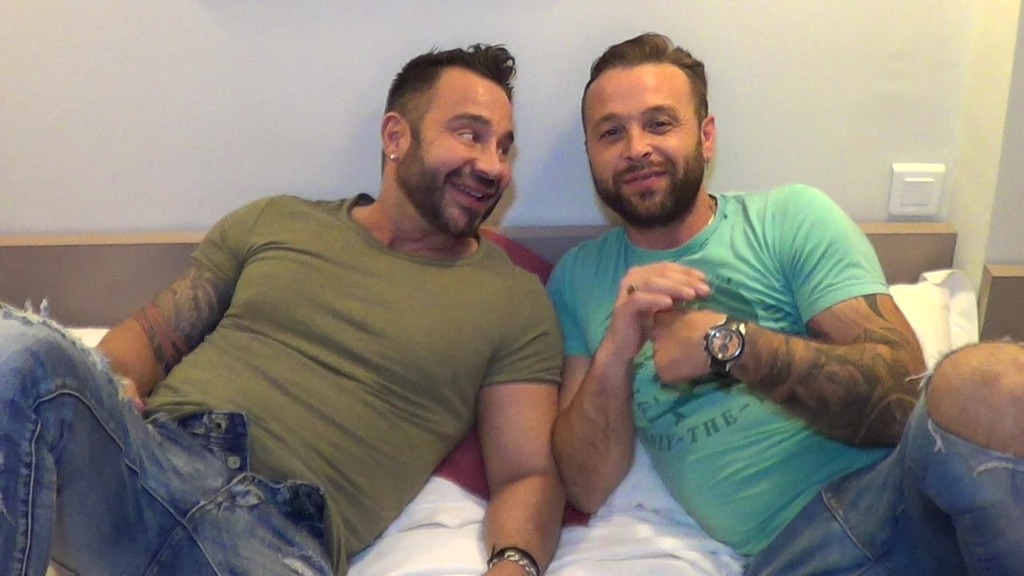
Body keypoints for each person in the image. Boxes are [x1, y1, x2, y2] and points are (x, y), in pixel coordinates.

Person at [0, 44, 565, 576]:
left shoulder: (512, 301)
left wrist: (513, 564)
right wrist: (116, 382)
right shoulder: (277, 222)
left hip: (275, 538)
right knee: (22, 347)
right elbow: (150, 339)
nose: (494, 166)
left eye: (504, 147)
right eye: (470, 135)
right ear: (396, 136)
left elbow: (528, 473)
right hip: (150, 469)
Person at [548, 32, 1024, 574]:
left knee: (987, 378)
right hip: (791, 555)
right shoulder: (579, 279)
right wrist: (617, 347)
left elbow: (900, 399)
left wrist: (730, 345)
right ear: (591, 155)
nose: (636, 148)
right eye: (611, 132)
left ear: (706, 136)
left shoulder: (788, 220)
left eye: (659, 123)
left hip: (890, 495)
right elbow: (585, 487)